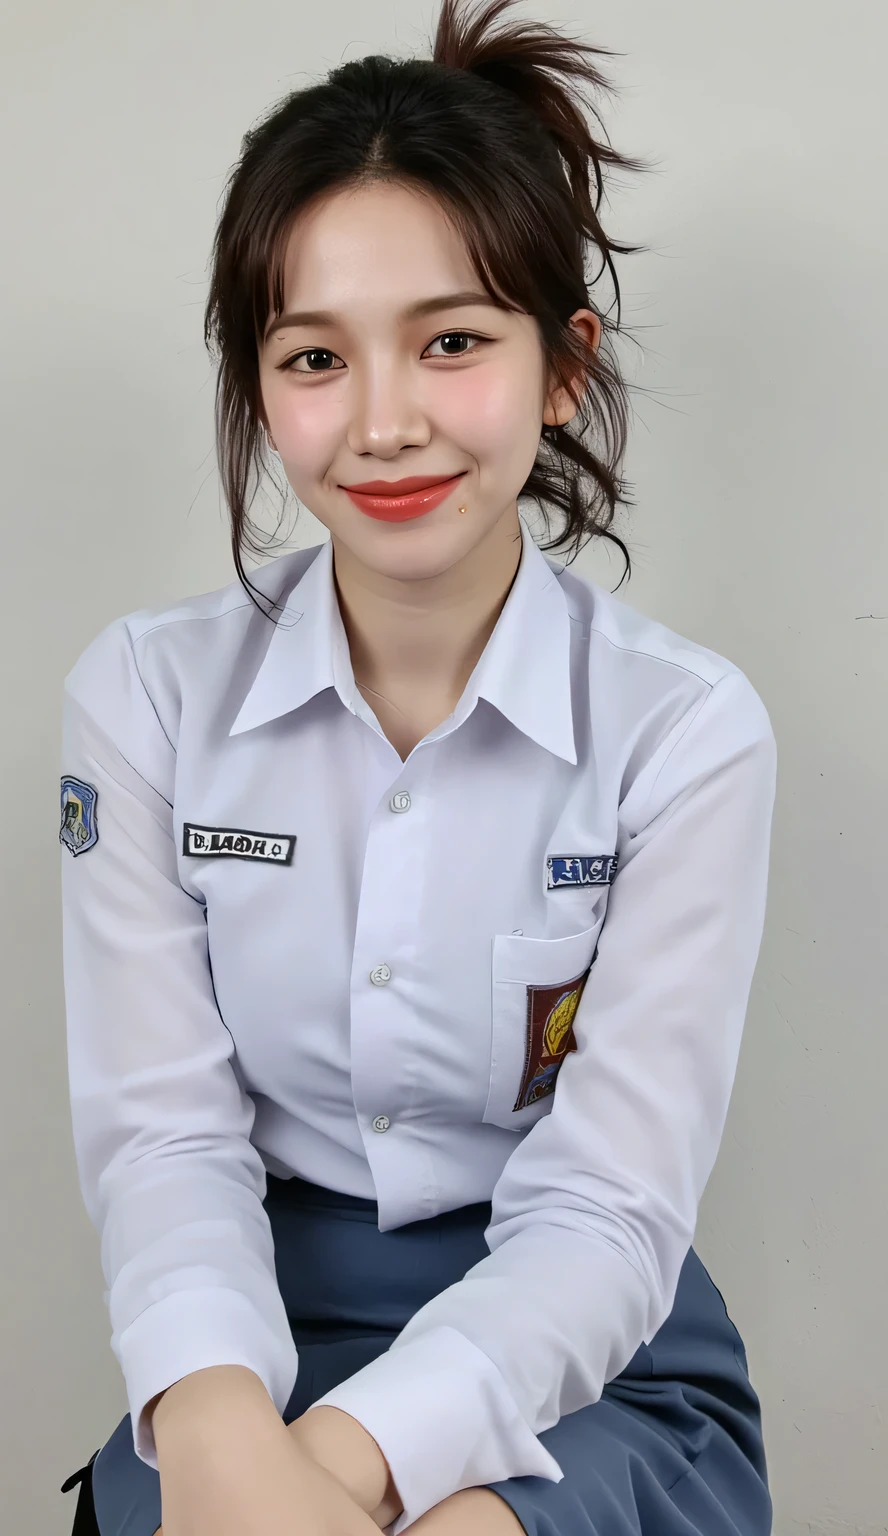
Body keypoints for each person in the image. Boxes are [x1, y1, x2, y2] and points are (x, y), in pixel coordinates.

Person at [58, 2, 778, 1533]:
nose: (385, 424)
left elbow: (605, 1208)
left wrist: (341, 1477)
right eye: (315, 356)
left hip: (587, 1343)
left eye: (452, 341)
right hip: (245, 1329)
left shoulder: (686, 733)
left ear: (562, 368)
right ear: (261, 389)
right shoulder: (142, 697)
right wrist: (232, 1441)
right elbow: (167, 1143)